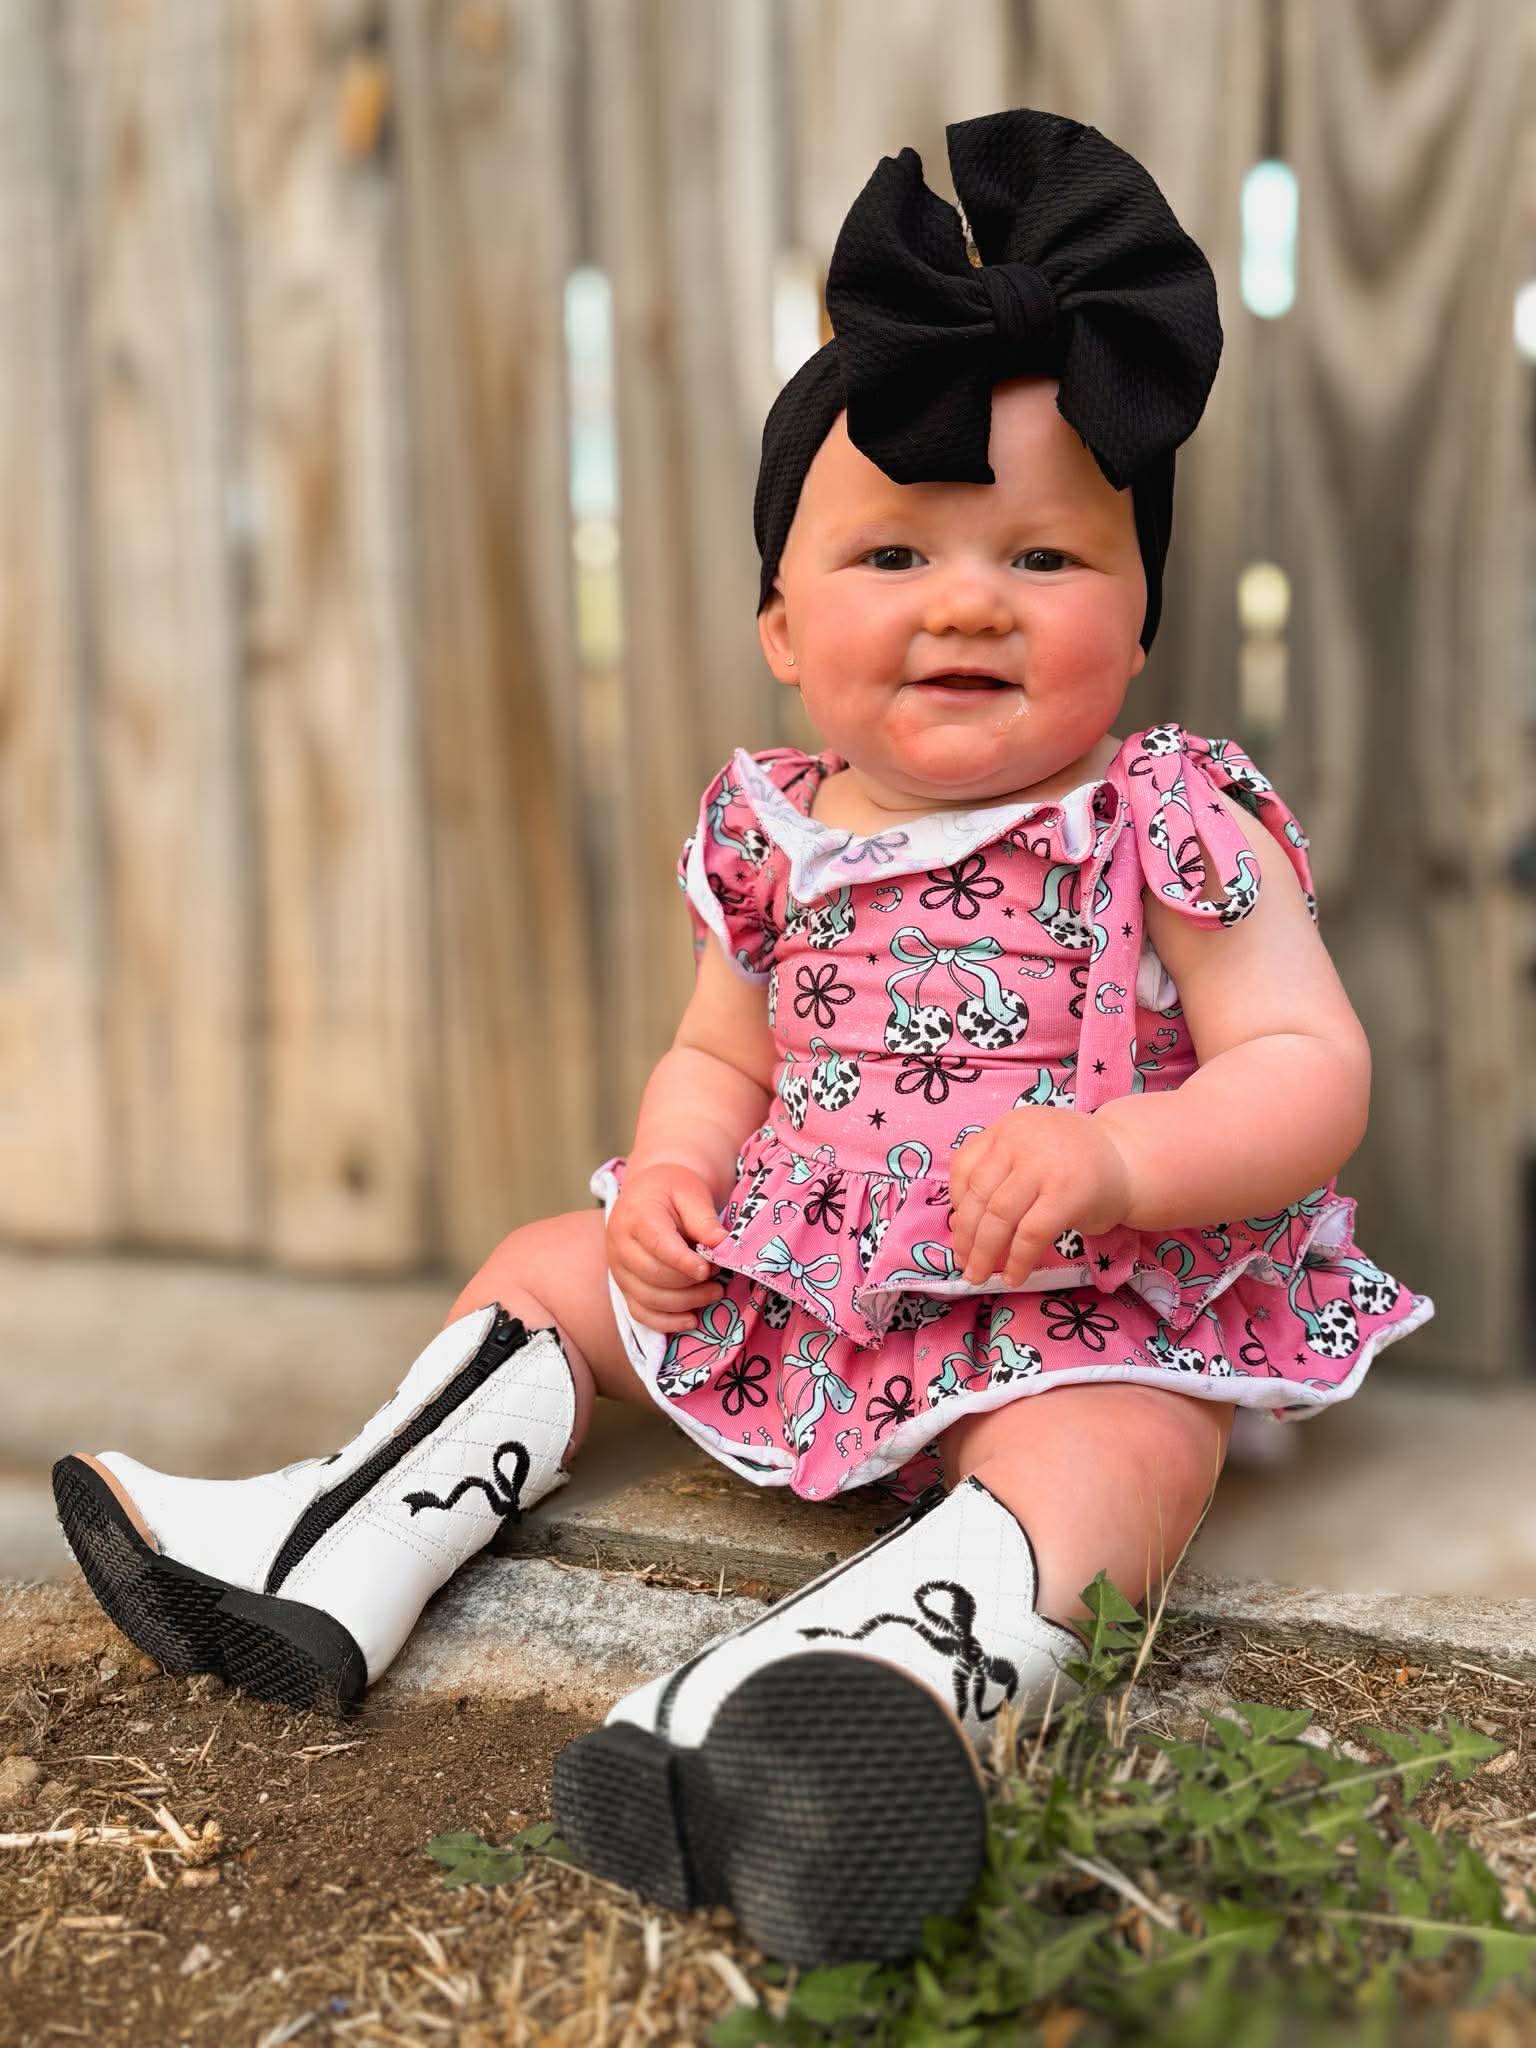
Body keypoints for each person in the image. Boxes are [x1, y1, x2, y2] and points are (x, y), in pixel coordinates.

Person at [52, 107, 1435, 1969]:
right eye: (893, 559)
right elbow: (721, 1057)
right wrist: (679, 1178)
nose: (967, 597)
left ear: (1139, 615)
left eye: (1044, 558)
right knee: (551, 1264)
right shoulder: (772, 829)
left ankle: (883, 1681)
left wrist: (1122, 1159)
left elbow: (1305, 1070)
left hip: (1083, 1305)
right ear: (780, 622)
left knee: (1136, 1449)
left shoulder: (1172, 816)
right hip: (804, 1281)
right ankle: (331, 1547)